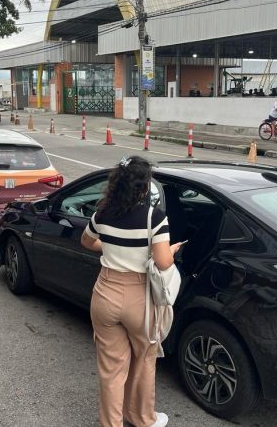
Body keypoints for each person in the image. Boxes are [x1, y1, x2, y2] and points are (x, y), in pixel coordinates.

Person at [81, 156, 184, 427]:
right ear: (144, 185)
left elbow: (86, 241)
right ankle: (142, 419)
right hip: (140, 297)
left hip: (105, 292)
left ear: (117, 182)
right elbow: (162, 262)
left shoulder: (102, 212)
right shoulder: (155, 217)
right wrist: (172, 251)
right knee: (144, 360)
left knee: (111, 369)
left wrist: (113, 249)